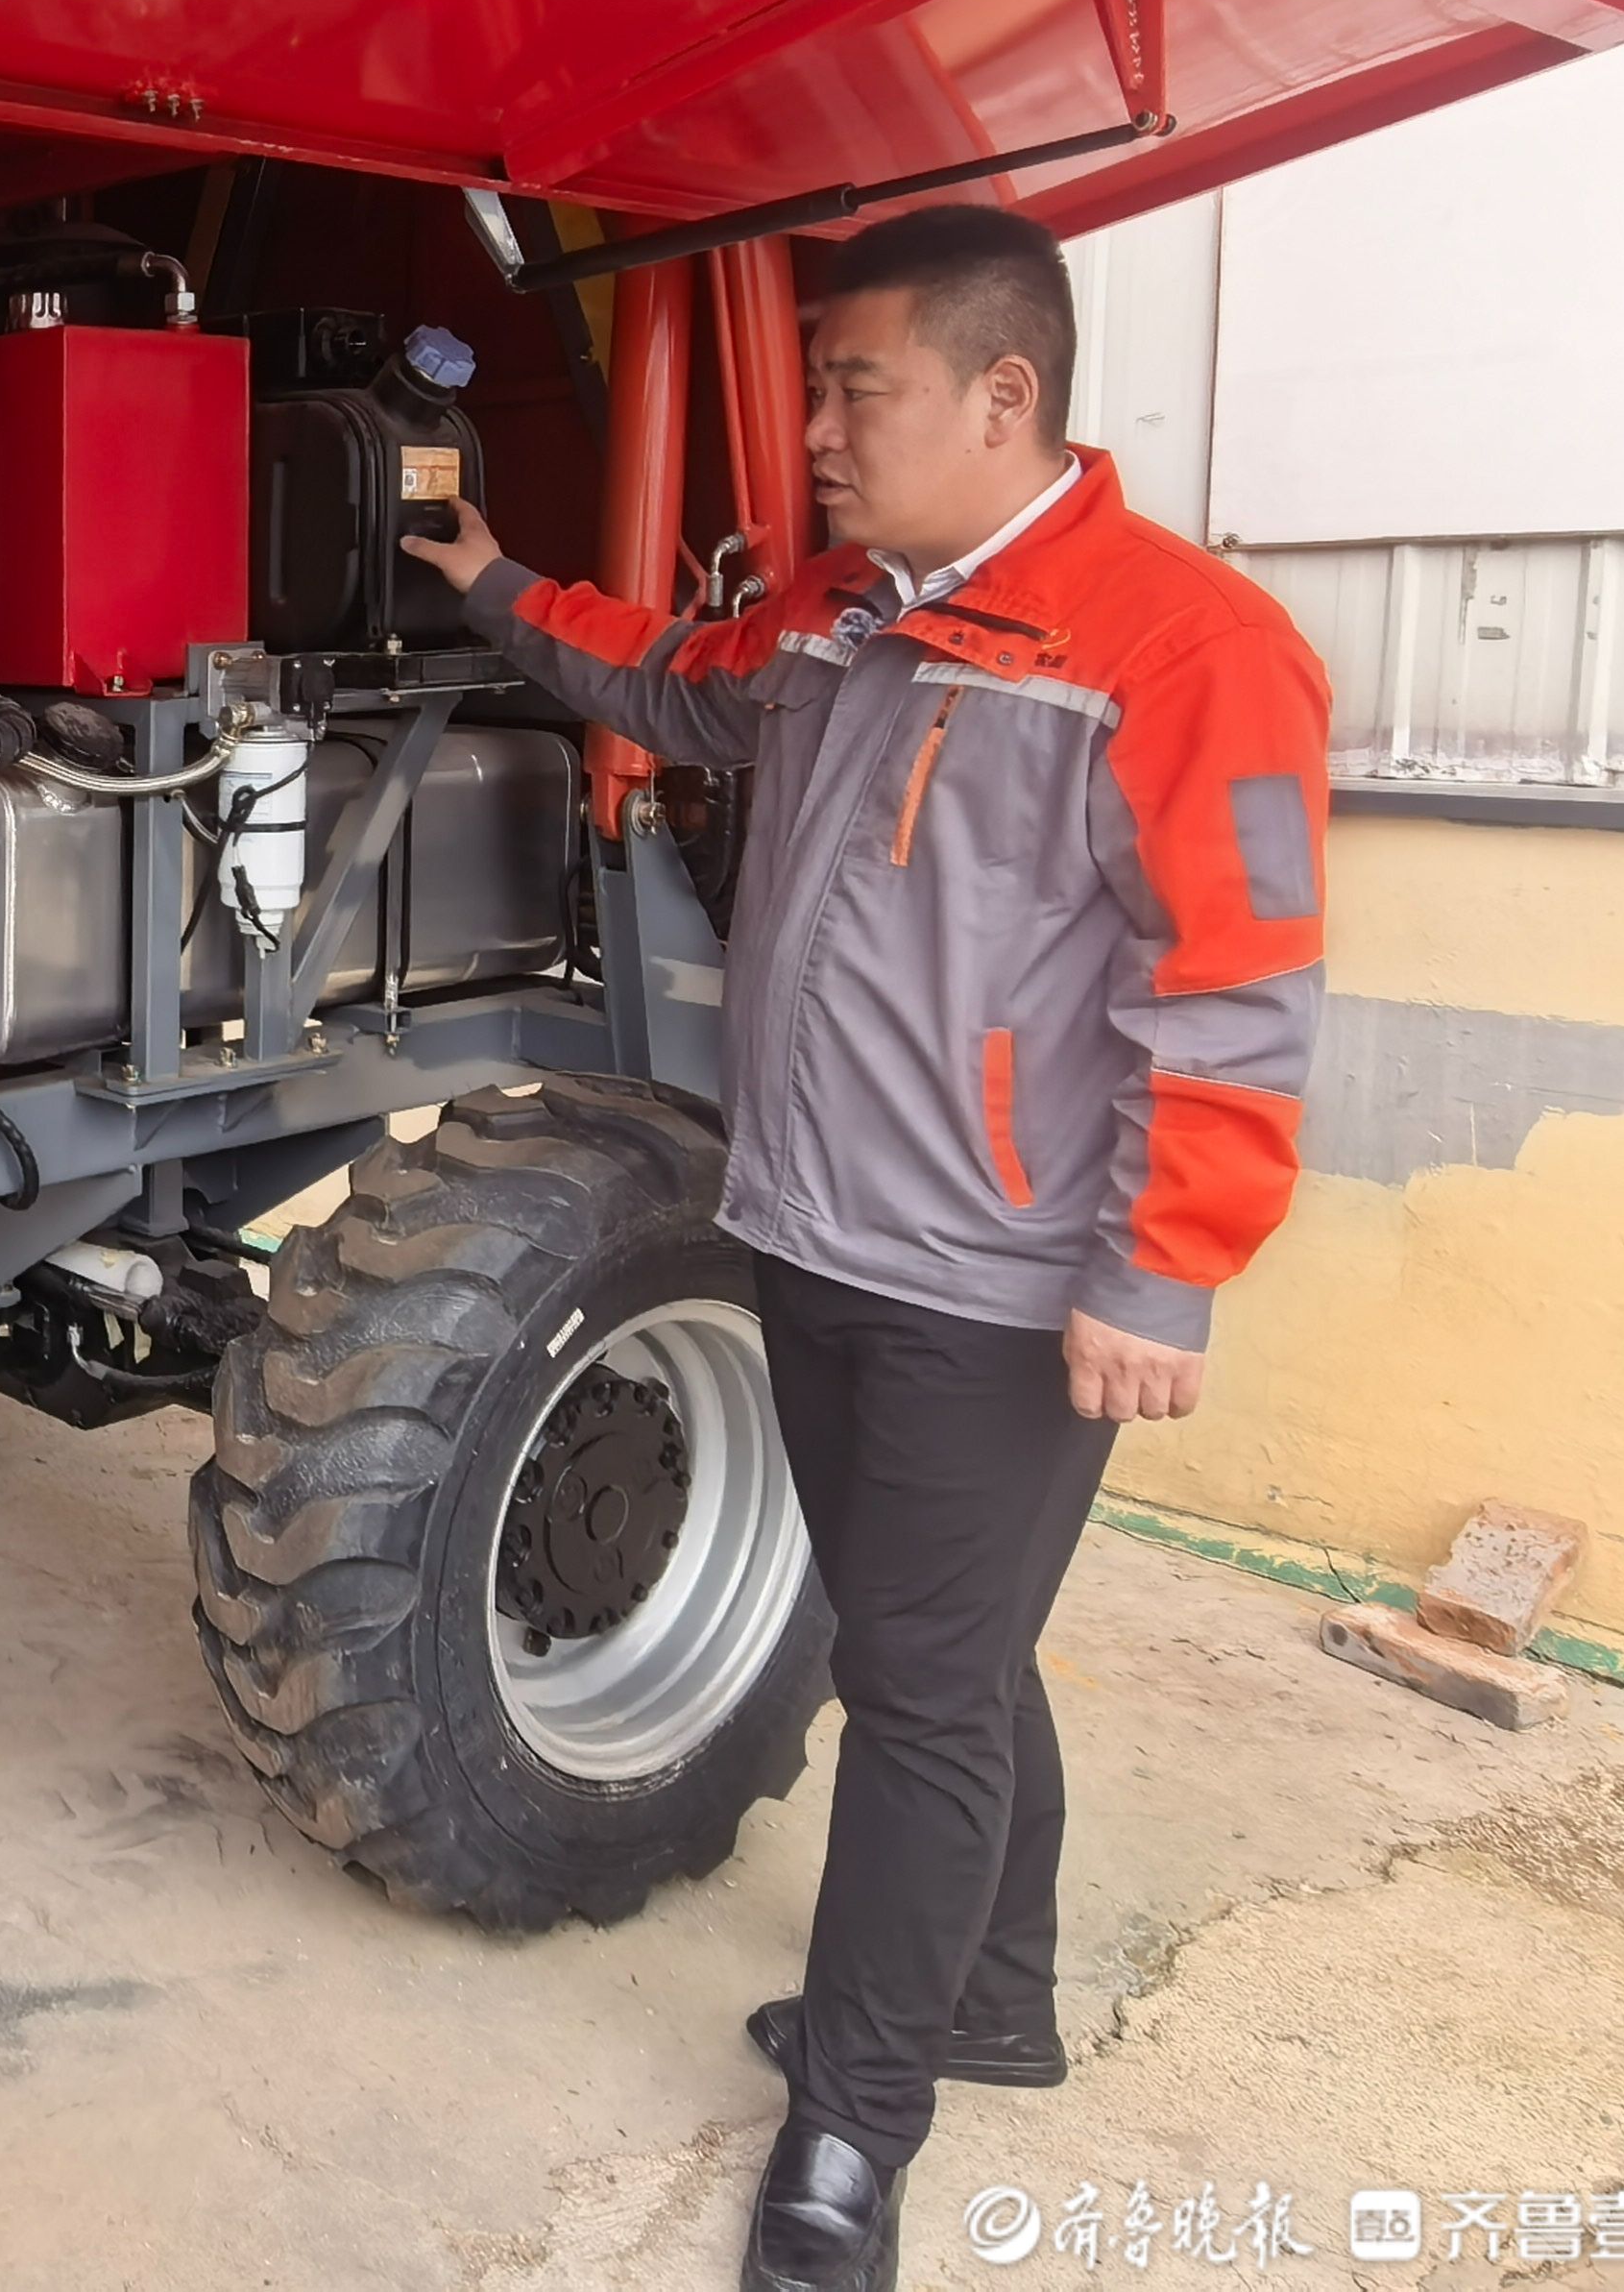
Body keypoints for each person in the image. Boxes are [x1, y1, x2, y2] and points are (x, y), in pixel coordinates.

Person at [402, 205, 1331, 2292]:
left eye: (854, 388)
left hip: (995, 1284)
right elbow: (670, 681)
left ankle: (853, 2127)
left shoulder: (1183, 651)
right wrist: (488, 582)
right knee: (944, 1644)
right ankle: (991, 1990)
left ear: (1003, 396)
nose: (813, 429)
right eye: (816, 385)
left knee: (912, 1689)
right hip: (810, 1228)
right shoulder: (838, 616)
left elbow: (1238, 992)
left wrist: (1159, 1269)